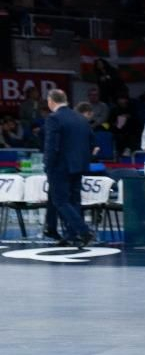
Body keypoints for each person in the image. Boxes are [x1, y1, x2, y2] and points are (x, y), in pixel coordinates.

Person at [41, 89, 93, 246]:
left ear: (51, 101)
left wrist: (48, 165)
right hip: (79, 166)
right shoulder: (81, 118)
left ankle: (83, 231)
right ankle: (71, 235)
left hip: (60, 167)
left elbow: (51, 146)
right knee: (74, 201)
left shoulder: (54, 118)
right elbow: (90, 141)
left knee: (61, 201)